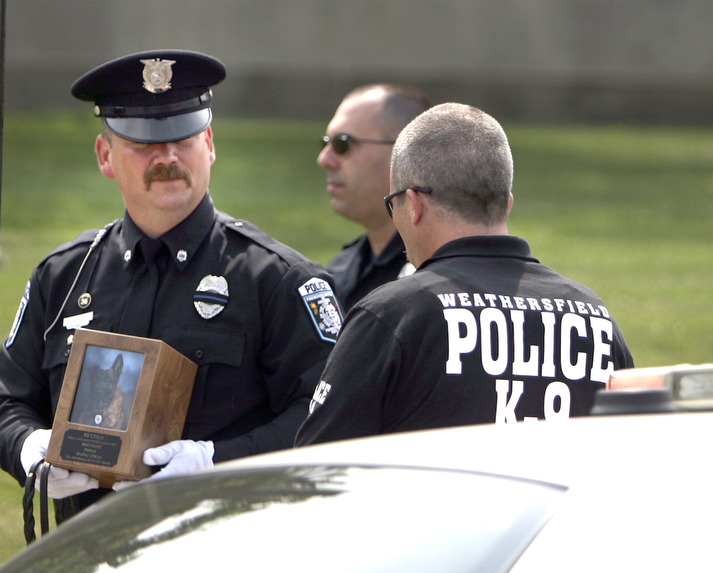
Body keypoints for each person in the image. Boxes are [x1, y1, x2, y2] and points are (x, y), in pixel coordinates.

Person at [0, 49, 343, 523]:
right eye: (143, 143)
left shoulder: (275, 280)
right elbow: (8, 397)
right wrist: (28, 447)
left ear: (210, 145)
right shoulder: (63, 277)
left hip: (227, 559)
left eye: (183, 138)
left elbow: (332, 414)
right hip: (88, 560)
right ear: (105, 156)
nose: (167, 157)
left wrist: (218, 462)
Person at [296, 103, 634, 446]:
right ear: (507, 203)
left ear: (413, 205)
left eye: (392, 203)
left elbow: (317, 466)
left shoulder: (394, 314)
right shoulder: (595, 317)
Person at [318, 83, 432, 312]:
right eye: (325, 143)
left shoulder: (440, 277)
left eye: (342, 144)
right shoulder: (341, 270)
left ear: (404, 153)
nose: (324, 160)